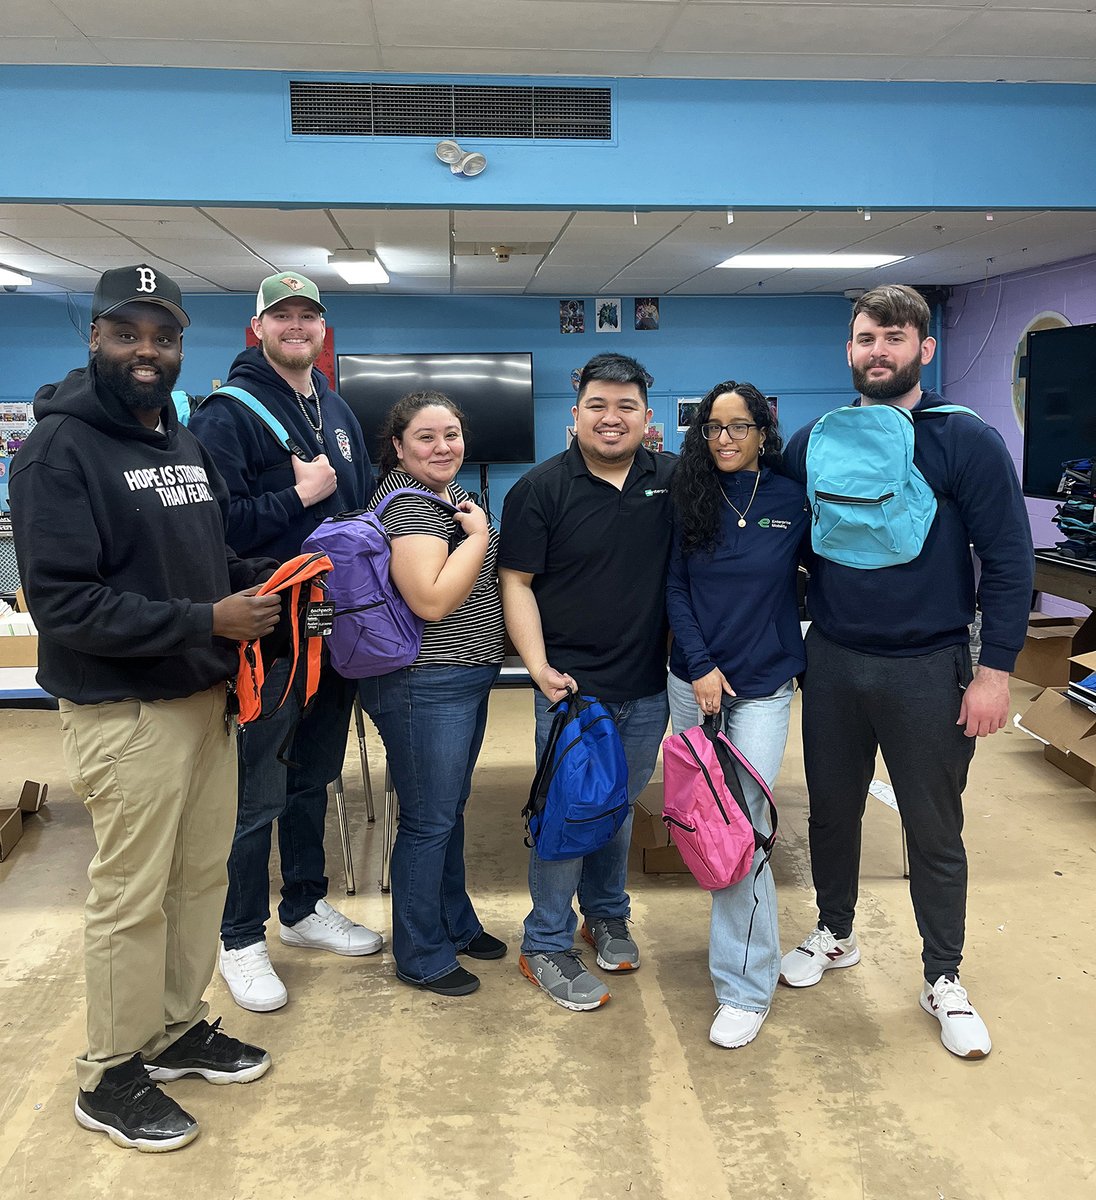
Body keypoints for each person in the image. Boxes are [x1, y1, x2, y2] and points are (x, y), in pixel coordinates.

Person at [9, 265, 281, 1152]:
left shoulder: (180, 441)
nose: (147, 352)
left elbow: (199, 560)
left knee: (199, 879)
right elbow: (65, 604)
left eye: (162, 336)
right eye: (128, 334)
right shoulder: (56, 452)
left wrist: (263, 584)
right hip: (126, 712)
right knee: (131, 896)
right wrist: (210, 617)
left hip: (204, 699)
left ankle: (171, 1029)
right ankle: (109, 1072)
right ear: (95, 337)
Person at [778, 283, 1034, 1059]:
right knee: (829, 811)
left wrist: (996, 671)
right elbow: (783, 546)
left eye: (894, 337)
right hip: (833, 659)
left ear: (925, 349)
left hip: (930, 665)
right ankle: (835, 930)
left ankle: (943, 976)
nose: (877, 351)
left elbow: (1011, 561)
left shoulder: (966, 439)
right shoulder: (816, 439)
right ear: (848, 350)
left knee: (933, 826)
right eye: (864, 338)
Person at [189, 271, 381, 1014]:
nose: (297, 327)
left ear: (323, 329)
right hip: (268, 640)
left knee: (314, 778)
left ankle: (302, 908)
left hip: (333, 633)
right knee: (254, 793)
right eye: (283, 316)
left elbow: (357, 513)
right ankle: (239, 939)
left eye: (309, 316)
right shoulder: (225, 417)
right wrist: (294, 498)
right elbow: (211, 529)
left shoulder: (333, 407)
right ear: (258, 327)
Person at [499, 352, 675, 1011]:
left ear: (647, 418)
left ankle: (605, 914)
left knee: (617, 811)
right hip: (570, 694)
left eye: (626, 406)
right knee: (567, 817)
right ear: (574, 416)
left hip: (647, 688)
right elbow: (516, 583)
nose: (611, 418)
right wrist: (539, 667)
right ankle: (543, 942)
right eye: (598, 406)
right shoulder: (539, 490)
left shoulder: (674, 479)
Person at [666, 380, 809, 1049]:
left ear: (762, 431)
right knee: (706, 822)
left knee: (743, 828)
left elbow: (822, 574)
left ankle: (745, 988)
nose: (724, 438)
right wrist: (699, 665)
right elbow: (674, 587)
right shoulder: (687, 494)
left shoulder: (788, 497)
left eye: (738, 426)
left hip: (764, 686)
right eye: (712, 427)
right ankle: (747, 951)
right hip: (694, 684)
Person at [357, 391, 506, 997]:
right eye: (426, 436)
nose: (443, 447)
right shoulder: (412, 509)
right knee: (428, 821)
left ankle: (454, 922)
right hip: (425, 683)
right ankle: (420, 954)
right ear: (398, 446)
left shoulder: (444, 500)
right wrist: (479, 536)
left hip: (459, 678)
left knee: (447, 813)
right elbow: (431, 600)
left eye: (452, 434)